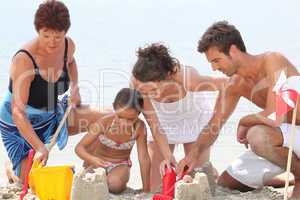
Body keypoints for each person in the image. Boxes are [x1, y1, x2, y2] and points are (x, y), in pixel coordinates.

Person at [176, 21, 300, 198]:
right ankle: (288, 177)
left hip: (293, 133)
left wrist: (245, 121)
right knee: (226, 183)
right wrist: (193, 155)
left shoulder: (273, 61)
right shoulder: (234, 85)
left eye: (216, 60)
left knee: (256, 135)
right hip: (286, 139)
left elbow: (275, 116)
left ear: (233, 50)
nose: (214, 68)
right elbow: (214, 125)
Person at [0, 0, 101, 183]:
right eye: (46, 35)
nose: (52, 42)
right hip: (19, 126)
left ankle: (92, 169)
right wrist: (39, 147)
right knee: (29, 180)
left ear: (65, 32)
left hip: (51, 114)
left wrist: (75, 88)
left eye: (58, 36)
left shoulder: (68, 46)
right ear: (38, 30)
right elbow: (18, 113)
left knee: (105, 118)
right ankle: (11, 168)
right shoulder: (24, 59)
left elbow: (71, 62)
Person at [131, 43, 226, 191]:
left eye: (154, 90)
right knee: (157, 188)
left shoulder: (189, 78)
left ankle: (211, 172)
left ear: (167, 77)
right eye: (146, 92)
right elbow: (154, 124)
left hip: (194, 119)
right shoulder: (138, 82)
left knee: (195, 182)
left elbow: (229, 85)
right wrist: (167, 156)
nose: (149, 95)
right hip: (163, 123)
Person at [75, 88, 150, 194]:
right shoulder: (104, 123)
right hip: (98, 162)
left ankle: (112, 183)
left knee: (115, 185)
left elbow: (144, 158)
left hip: (120, 164)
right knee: (90, 183)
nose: (124, 123)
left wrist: (146, 189)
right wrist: (92, 159)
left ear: (139, 113)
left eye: (130, 119)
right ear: (114, 106)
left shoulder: (139, 127)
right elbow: (79, 148)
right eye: (120, 117)